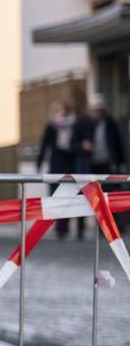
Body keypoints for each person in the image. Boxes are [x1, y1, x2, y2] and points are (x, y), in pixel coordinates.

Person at [38, 101, 92, 240]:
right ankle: (62, 228)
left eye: (61, 112)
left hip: (70, 166)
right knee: (59, 197)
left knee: (73, 197)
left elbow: (74, 145)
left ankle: (74, 228)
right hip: (58, 167)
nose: (59, 115)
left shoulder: (72, 126)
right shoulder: (52, 127)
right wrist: (39, 163)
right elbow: (44, 146)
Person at [89, 97, 128, 235]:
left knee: (111, 196)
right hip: (95, 165)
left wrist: (121, 164)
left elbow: (119, 144)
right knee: (98, 197)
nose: (95, 113)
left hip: (109, 165)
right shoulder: (90, 124)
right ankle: (103, 228)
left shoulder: (110, 123)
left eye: (97, 110)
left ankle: (116, 227)